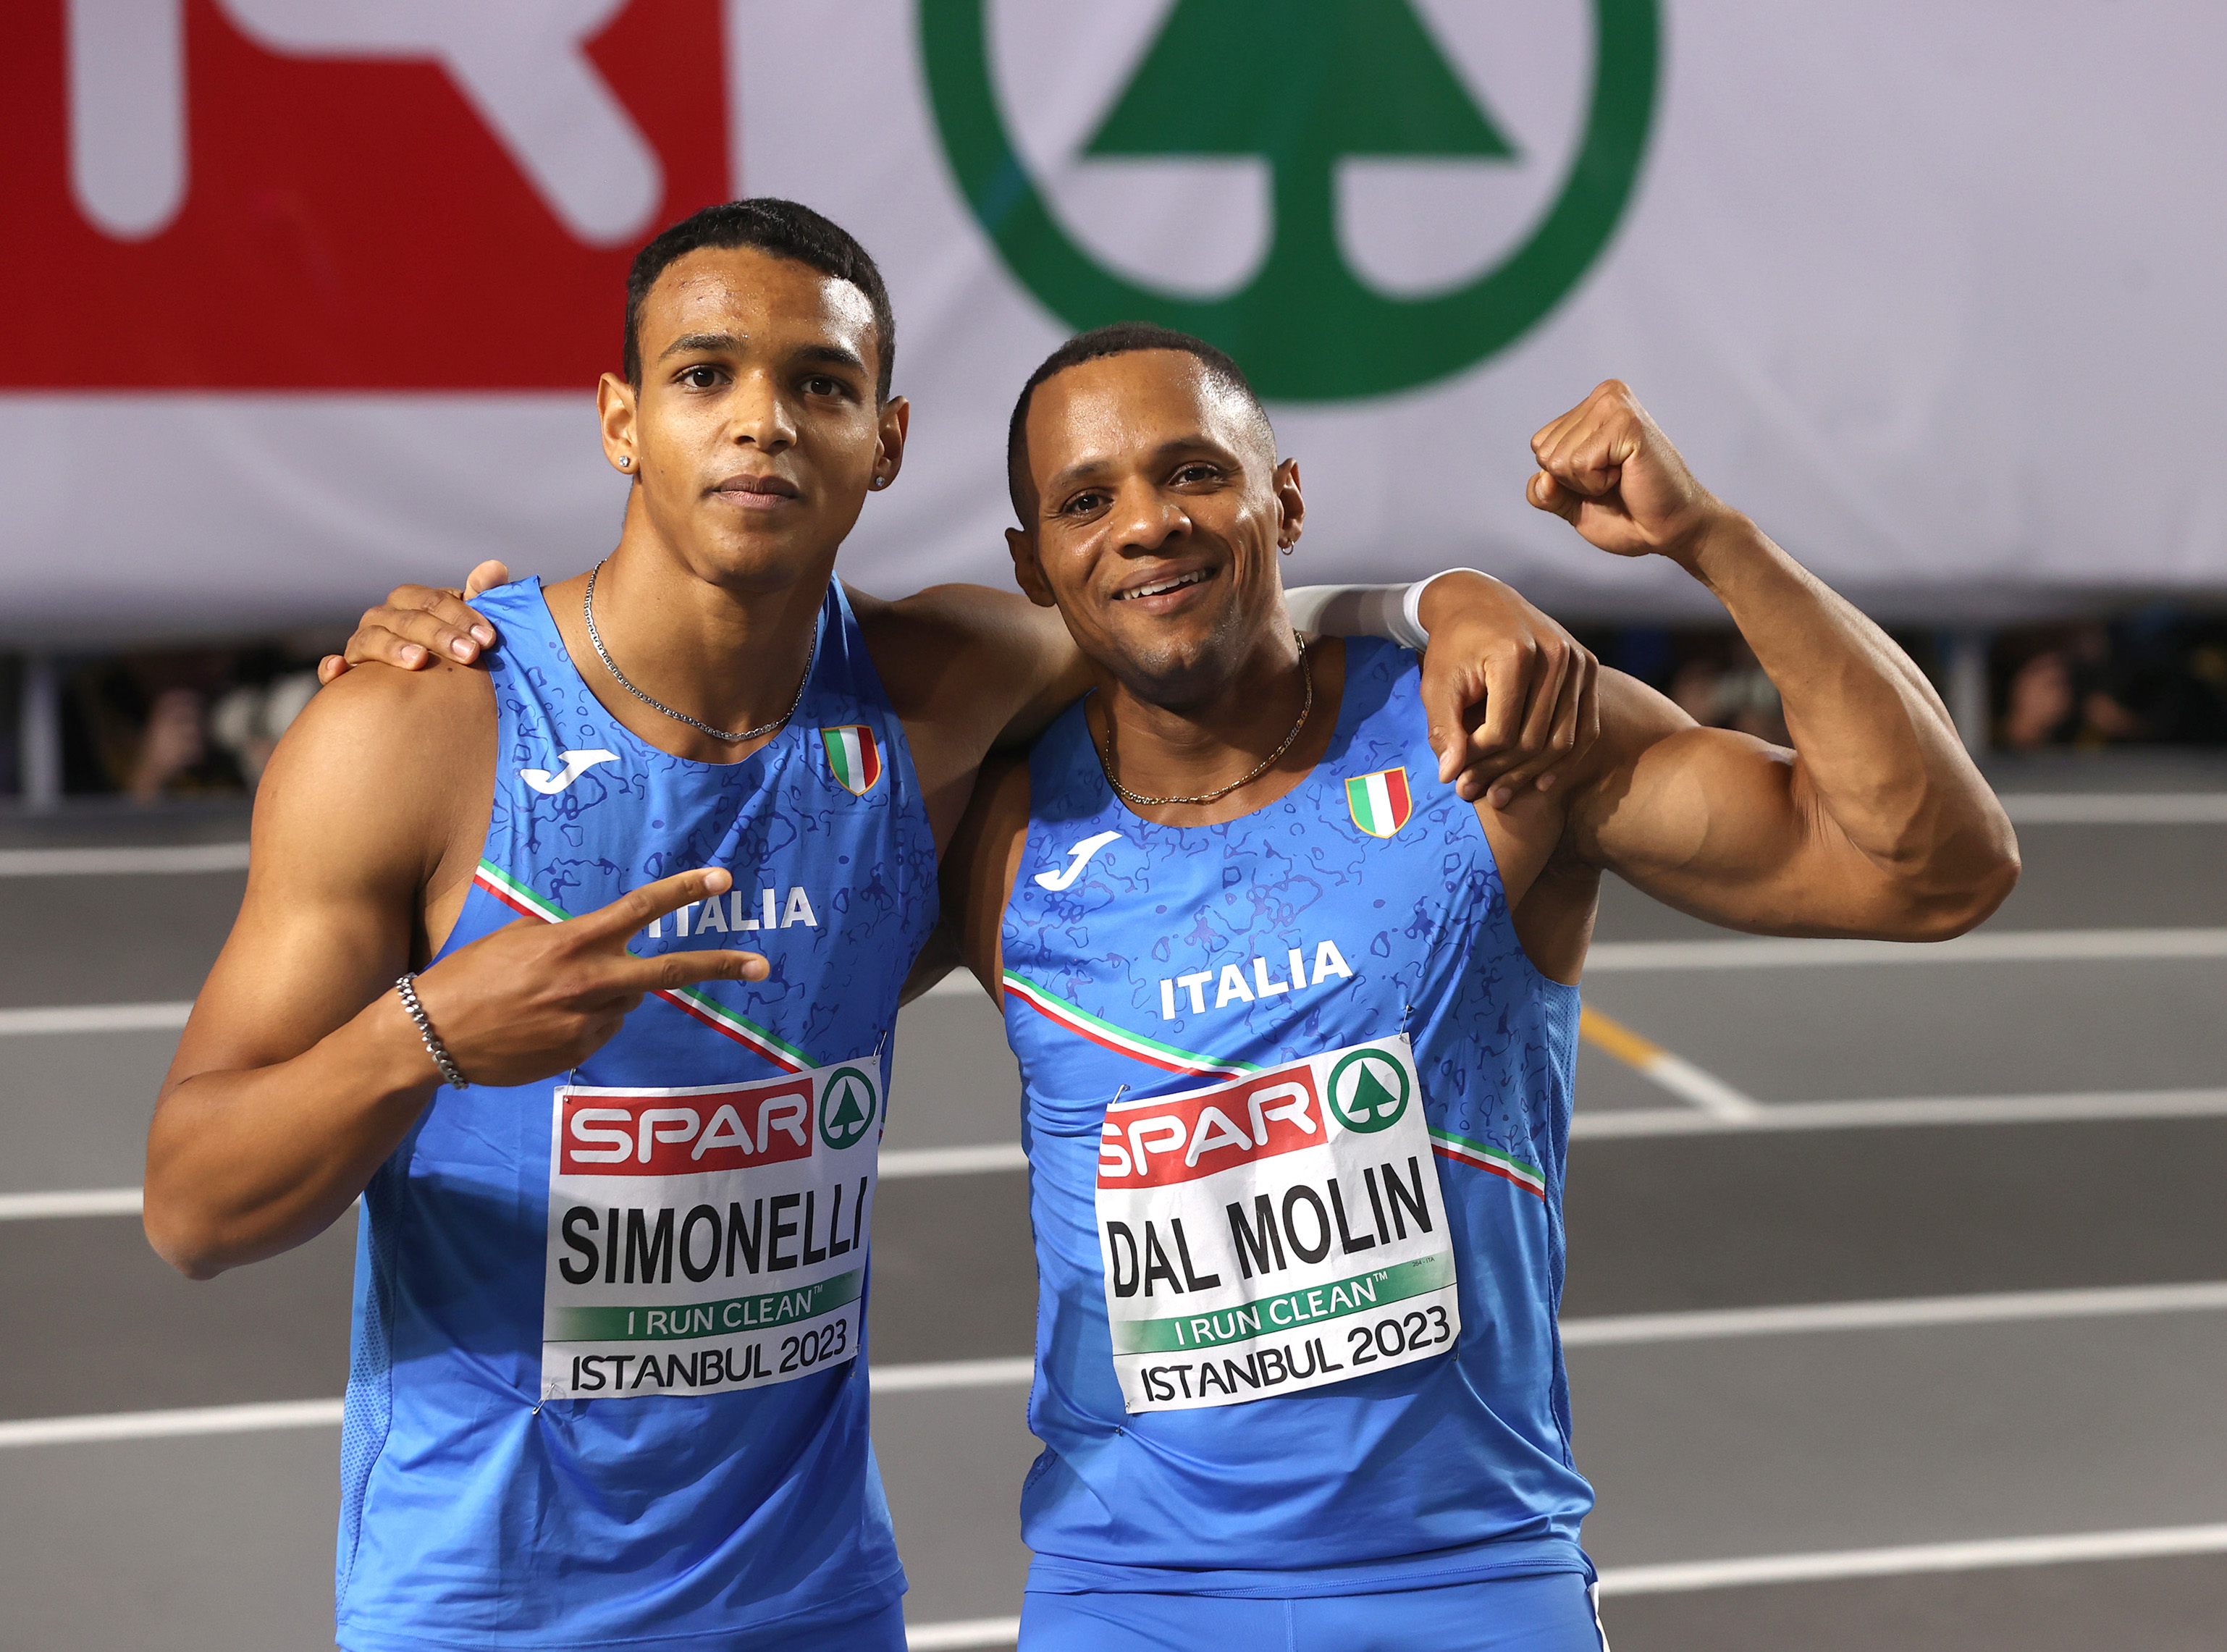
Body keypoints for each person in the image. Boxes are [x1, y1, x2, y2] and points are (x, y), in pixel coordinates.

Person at [146, 201, 1599, 1652]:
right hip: (489, 1606)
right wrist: (428, 1033)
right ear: (621, 422)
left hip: (815, 1602)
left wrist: (1441, 600)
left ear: (885, 442)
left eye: (820, 385)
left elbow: (1185, 602)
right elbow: (192, 1207)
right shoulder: (422, 731)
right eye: (704, 375)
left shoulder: (936, 693)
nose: (762, 422)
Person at [914, 329, 2017, 1647]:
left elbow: (1931, 869)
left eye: (1195, 472)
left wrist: (1713, 541)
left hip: (1468, 1581)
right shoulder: (998, 832)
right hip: (1130, 1597)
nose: (1148, 522)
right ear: (1032, 563)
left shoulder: (1491, 738)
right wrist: (1437, 591)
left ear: (1287, 502)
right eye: (1087, 499)